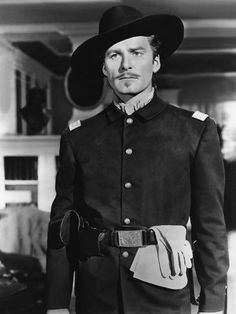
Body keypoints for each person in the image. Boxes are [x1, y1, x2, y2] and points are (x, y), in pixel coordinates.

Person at [46, 5, 229, 314]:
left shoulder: (195, 131)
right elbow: (62, 226)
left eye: (137, 53)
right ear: (103, 68)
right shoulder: (78, 138)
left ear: (155, 61)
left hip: (165, 295)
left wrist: (213, 305)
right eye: (114, 55)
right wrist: (57, 303)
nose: (125, 65)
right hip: (97, 295)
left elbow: (209, 226)